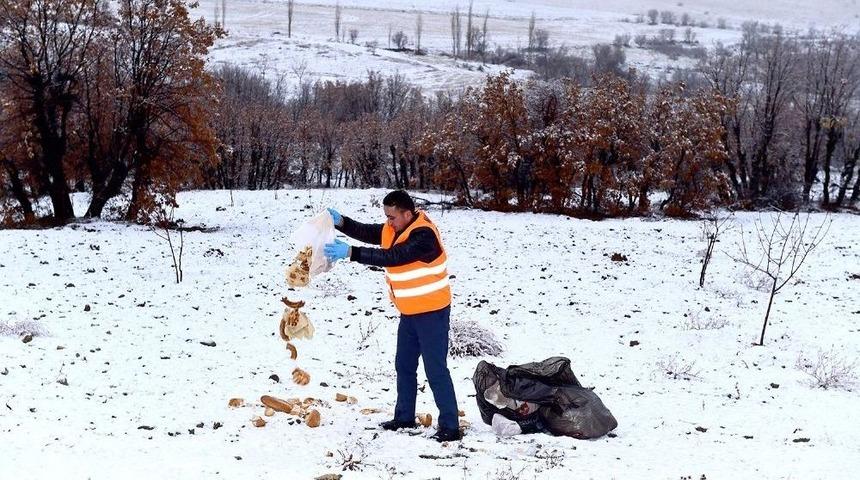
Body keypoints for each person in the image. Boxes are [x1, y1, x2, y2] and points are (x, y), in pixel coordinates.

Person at [323, 190, 461, 442]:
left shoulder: (424, 235)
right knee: (404, 365)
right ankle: (404, 417)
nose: (388, 222)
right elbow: (367, 231)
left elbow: (394, 257)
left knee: (435, 370)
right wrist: (341, 222)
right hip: (409, 312)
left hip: (432, 313)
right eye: (386, 217)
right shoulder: (394, 228)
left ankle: (450, 426)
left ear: (407, 214)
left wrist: (351, 253)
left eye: (392, 217)